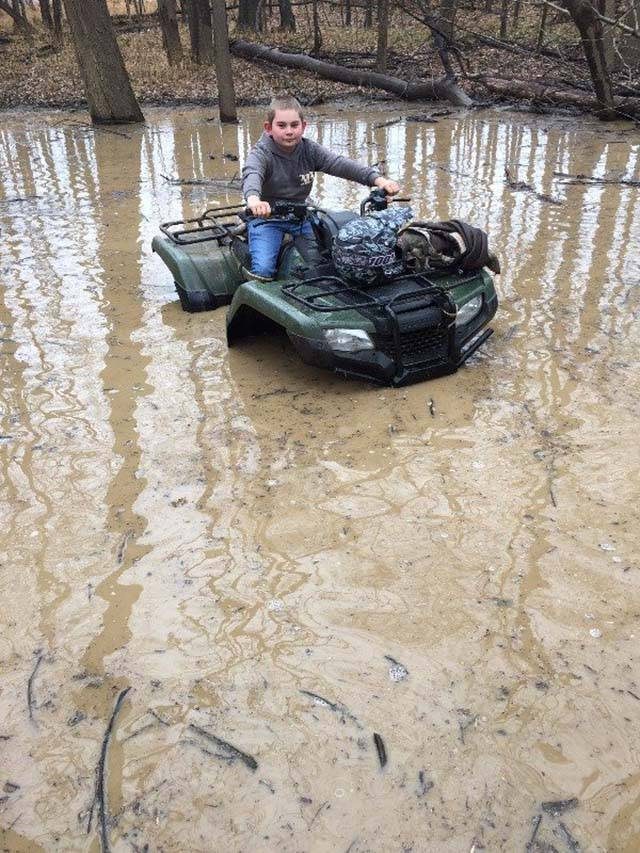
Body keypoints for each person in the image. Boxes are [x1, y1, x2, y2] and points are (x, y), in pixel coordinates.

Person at [241, 94, 400, 281]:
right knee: (264, 269)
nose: (289, 131)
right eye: (281, 126)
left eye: (294, 125)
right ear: (269, 128)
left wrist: (378, 180)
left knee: (322, 264)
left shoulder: (309, 150)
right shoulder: (261, 153)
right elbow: (252, 174)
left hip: (300, 218)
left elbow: (339, 164)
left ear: (304, 126)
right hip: (267, 219)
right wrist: (254, 200)